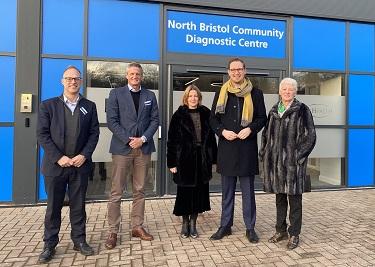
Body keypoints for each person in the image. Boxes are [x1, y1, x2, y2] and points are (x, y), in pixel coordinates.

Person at [36, 66, 100, 263]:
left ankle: (79, 240)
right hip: (56, 167)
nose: (73, 82)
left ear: (80, 82)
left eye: (76, 79)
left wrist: (84, 155)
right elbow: (42, 135)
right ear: (62, 81)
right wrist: (58, 157)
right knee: (53, 207)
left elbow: (94, 133)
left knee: (78, 206)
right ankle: (49, 244)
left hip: (79, 166)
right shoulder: (48, 106)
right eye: (69, 78)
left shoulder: (89, 106)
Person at [209, 58, 267, 243]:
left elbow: (261, 118)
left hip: (247, 149)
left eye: (239, 69)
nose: (236, 73)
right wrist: (222, 131)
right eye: (233, 70)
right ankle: (225, 226)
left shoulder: (256, 93)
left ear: (245, 70)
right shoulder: (221, 92)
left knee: (248, 192)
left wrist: (250, 129)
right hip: (227, 149)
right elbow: (213, 119)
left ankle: (250, 228)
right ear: (228, 72)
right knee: (227, 192)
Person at [105, 62, 159, 249]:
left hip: (143, 148)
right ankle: (113, 230)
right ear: (127, 76)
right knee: (116, 191)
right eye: (132, 74)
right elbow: (111, 121)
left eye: (138, 74)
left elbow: (155, 120)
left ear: (142, 76)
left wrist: (142, 139)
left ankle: (137, 226)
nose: (135, 76)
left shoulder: (150, 95)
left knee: (140, 190)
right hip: (122, 148)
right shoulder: (116, 94)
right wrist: (129, 140)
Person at [259, 77, 316, 250]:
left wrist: (298, 156)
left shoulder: (302, 110)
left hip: (293, 166)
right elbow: (265, 135)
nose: (287, 92)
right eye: (284, 89)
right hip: (276, 164)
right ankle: (280, 230)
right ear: (280, 91)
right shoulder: (274, 110)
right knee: (280, 199)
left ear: (295, 92)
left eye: (290, 89)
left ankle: (294, 234)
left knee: (295, 201)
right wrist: (264, 153)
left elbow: (310, 136)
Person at [167, 85, 217, 238]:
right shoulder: (178, 115)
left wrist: (213, 159)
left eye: (195, 96)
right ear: (186, 98)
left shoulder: (206, 113)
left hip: (202, 160)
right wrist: (172, 163)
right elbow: (172, 140)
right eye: (190, 96)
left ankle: (194, 224)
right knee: (185, 193)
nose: (193, 98)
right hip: (184, 160)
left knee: (198, 194)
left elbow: (211, 139)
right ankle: (185, 223)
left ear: (199, 98)